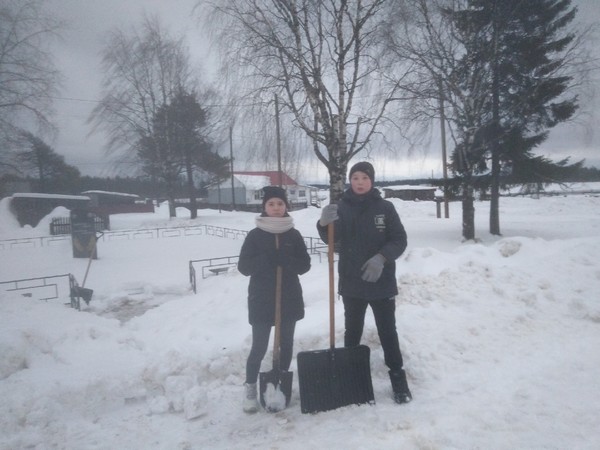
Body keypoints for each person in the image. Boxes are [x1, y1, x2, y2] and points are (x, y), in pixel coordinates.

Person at [316, 161, 412, 404]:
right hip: (352, 281)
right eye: (355, 177)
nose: (359, 182)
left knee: (388, 331)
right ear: (350, 180)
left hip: (381, 282)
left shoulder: (386, 208)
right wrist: (323, 224)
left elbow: (399, 239)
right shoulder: (341, 208)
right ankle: (351, 376)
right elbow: (333, 239)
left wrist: (382, 258)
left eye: (364, 178)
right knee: (353, 331)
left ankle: (398, 378)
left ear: (372, 181)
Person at [238, 186, 311, 413]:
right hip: (261, 298)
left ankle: (278, 382)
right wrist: (267, 258)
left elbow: (305, 265)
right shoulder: (255, 235)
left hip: (288, 297)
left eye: (280, 204)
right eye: (271, 204)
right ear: (264, 207)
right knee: (259, 346)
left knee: (286, 343)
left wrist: (287, 260)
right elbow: (244, 267)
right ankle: (250, 387)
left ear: (286, 206)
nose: (276, 208)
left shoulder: (293, 234)